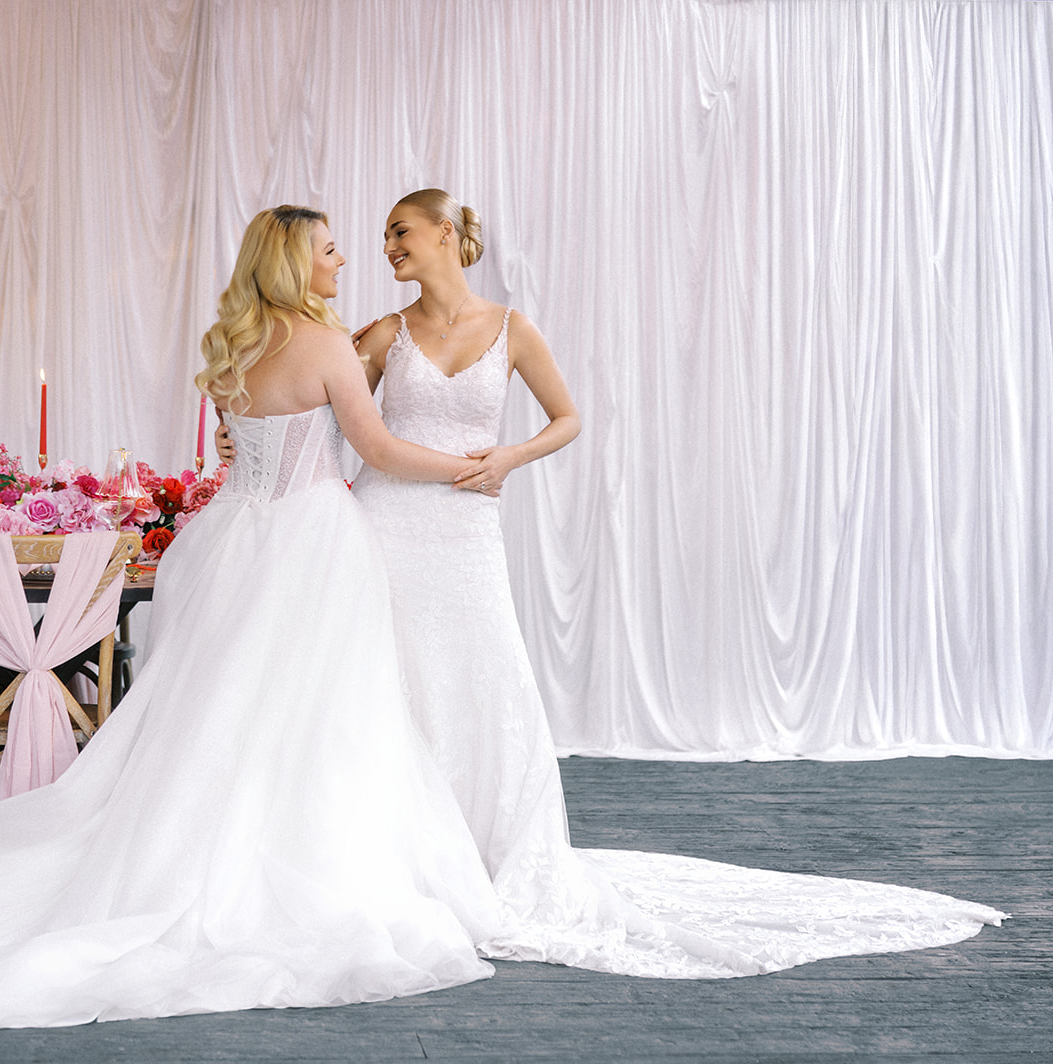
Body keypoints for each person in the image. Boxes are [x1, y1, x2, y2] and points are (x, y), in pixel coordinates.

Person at [0, 205, 516, 1029]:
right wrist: (465, 467)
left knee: (221, 713)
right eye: (330, 249)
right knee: (318, 713)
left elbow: (241, 446)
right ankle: (299, 861)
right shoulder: (328, 344)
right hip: (312, 543)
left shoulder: (242, 346)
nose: (342, 260)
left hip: (235, 541)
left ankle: (212, 840)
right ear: (297, 262)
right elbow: (373, 448)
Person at [221, 189, 1003, 977]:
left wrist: (507, 459)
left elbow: (568, 418)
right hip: (388, 525)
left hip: (467, 530)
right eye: (380, 235)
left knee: (489, 678)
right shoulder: (380, 334)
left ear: (446, 235)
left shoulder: (512, 330)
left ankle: (489, 852)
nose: (383, 246)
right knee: (389, 685)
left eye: (399, 231)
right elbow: (320, 408)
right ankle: (396, 851)